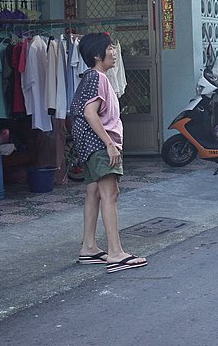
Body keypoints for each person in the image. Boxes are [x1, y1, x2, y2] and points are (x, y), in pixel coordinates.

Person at [70, 32, 147, 273]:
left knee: (93, 193)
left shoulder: (91, 77)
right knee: (110, 194)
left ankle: (89, 248)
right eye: (110, 48)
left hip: (89, 146)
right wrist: (110, 144)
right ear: (96, 55)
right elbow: (90, 113)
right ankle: (115, 253)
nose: (114, 52)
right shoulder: (98, 78)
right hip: (100, 146)